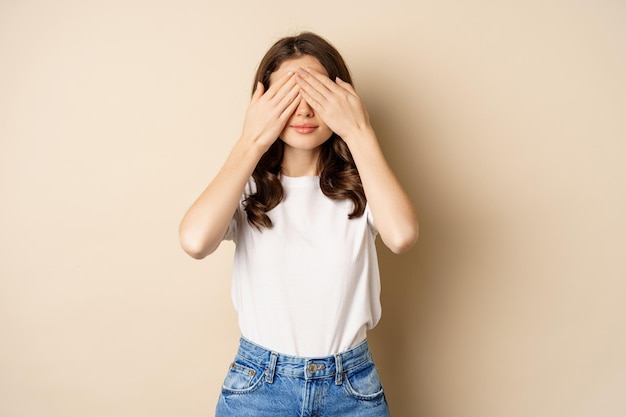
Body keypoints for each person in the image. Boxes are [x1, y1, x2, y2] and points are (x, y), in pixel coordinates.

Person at [179, 32, 418, 417]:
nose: (304, 110)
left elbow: (402, 235)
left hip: (351, 388)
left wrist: (358, 130)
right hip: (259, 387)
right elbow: (194, 241)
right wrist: (251, 139)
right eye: (288, 96)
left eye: (318, 94)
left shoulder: (363, 186)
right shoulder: (247, 189)